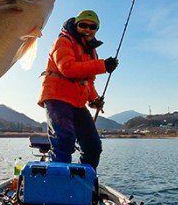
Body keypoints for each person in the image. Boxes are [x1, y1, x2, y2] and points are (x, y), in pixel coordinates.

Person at [38, 10, 118, 169]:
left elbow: (88, 81)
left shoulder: (92, 52)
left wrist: (93, 99)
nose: (88, 29)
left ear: (96, 29)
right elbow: (67, 68)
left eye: (92, 26)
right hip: (57, 98)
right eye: (83, 25)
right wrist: (103, 65)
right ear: (76, 25)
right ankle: (58, 186)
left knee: (93, 146)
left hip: (78, 104)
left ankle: (82, 184)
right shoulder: (63, 41)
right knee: (64, 142)